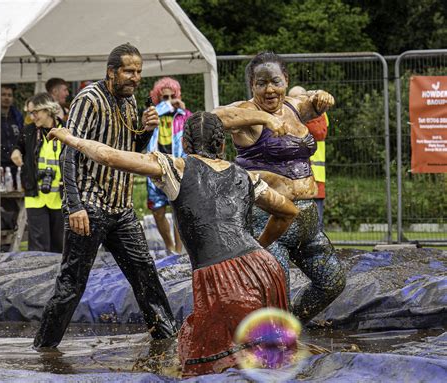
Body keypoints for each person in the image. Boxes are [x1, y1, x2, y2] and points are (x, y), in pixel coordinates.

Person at [47, 111, 299, 376]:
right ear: (222, 145)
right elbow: (288, 212)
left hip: (223, 277)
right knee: (267, 364)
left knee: (215, 367)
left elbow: (110, 157)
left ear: (185, 144)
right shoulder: (246, 177)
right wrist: (258, 249)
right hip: (267, 271)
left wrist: (71, 139)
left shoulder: (176, 169)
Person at [32, 43, 177, 349]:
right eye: (128, 71)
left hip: (121, 208)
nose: (135, 77)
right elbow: (68, 151)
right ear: (111, 72)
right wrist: (74, 206)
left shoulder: (129, 100)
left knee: (146, 275)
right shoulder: (89, 99)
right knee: (72, 285)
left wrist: (147, 131)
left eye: (138, 71)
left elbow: (130, 153)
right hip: (89, 205)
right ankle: (43, 350)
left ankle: (169, 342)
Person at [214, 52, 346, 323]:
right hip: (269, 222)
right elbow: (215, 117)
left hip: (307, 220)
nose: (269, 89)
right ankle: (276, 346)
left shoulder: (294, 107)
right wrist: (264, 120)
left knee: (332, 282)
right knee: (277, 293)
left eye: (275, 81)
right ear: (252, 86)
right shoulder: (249, 112)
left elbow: (316, 101)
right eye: (261, 83)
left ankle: (290, 326)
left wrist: (322, 97)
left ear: (286, 80)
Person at [10, 93, 64, 252]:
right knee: (38, 247)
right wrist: (16, 151)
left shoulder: (66, 131)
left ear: (47, 110)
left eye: (35, 112)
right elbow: (18, 146)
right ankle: (39, 276)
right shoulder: (29, 131)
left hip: (60, 198)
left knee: (59, 245)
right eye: (30, 113)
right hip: (36, 196)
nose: (32, 117)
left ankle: (58, 276)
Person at [147, 77, 192, 255]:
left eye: (172, 96)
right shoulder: (153, 113)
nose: (169, 100)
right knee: (157, 210)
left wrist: (182, 109)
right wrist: (167, 106)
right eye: (164, 97)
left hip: (177, 167)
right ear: (158, 97)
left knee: (178, 211)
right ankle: (169, 248)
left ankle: (179, 252)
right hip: (154, 166)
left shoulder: (184, 115)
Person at [289, 86, 329, 230]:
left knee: (315, 225)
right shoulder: (285, 114)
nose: (295, 103)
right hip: (291, 180)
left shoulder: (319, 113)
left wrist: (308, 113)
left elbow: (319, 132)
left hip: (314, 179)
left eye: (299, 99)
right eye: (292, 99)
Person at [0, 84, 24, 186]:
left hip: (15, 166)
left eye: (9, 95)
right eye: (3, 94)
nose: (6, 98)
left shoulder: (17, 117)